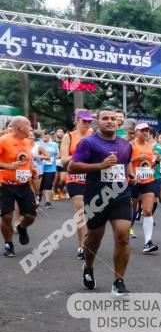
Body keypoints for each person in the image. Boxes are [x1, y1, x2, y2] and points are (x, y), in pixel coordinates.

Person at [68, 108, 134, 295]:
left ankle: (118, 281)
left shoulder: (125, 145)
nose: (110, 121)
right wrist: (100, 165)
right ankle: (88, 267)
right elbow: (72, 167)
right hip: (96, 198)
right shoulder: (88, 143)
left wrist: (130, 174)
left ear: (118, 122)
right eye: (105, 118)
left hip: (120, 195)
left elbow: (126, 163)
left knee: (123, 235)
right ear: (97, 122)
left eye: (113, 119)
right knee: (94, 238)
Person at [0, 117, 38, 258]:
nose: (31, 129)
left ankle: (22, 227)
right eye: (29, 126)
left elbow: (28, 159)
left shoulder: (28, 141)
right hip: (5, 185)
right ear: (20, 126)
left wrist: (33, 169)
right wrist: (7, 166)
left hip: (24, 185)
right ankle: (8, 244)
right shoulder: (4, 140)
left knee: (30, 216)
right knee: (7, 216)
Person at [60, 110, 93, 260]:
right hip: (74, 177)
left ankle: (90, 241)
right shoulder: (69, 137)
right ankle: (82, 245)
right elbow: (63, 160)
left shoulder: (93, 136)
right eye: (84, 121)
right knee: (80, 211)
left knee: (91, 213)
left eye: (89, 121)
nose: (87, 124)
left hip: (91, 177)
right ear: (77, 121)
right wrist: (78, 154)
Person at [129, 123, 160, 253]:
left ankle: (148, 242)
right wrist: (136, 158)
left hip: (147, 179)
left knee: (148, 210)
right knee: (131, 209)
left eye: (147, 130)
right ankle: (124, 233)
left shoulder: (149, 146)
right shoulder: (131, 145)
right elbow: (126, 161)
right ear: (136, 132)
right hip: (133, 180)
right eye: (142, 130)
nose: (145, 133)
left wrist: (156, 162)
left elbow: (148, 166)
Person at [35, 130, 60, 208]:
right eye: (43, 134)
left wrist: (55, 157)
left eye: (46, 134)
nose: (44, 136)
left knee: (48, 184)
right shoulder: (37, 144)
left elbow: (58, 154)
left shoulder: (54, 144)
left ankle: (48, 202)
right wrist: (41, 157)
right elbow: (35, 154)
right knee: (40, 186)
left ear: (49, 135)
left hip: (51, 167)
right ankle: (38, 200)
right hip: (40, 167)